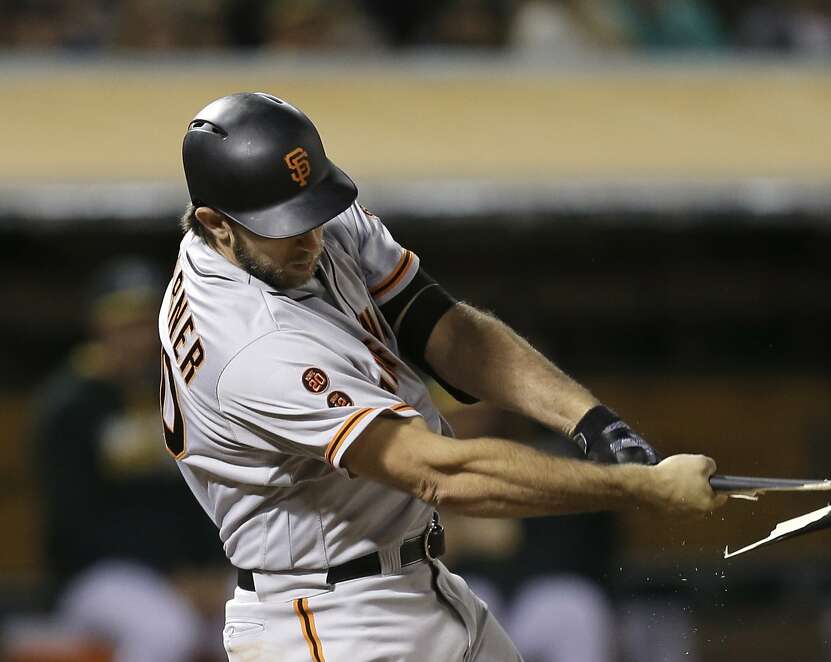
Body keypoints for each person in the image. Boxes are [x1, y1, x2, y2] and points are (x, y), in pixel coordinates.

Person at [161, 91, 726, 660]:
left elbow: (441, 326)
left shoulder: (293, 218)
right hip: (330, 618)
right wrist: (641, 488)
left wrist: (596, 425)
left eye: (314, 213)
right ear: (216, 224)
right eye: (288, 227)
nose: (313, 239)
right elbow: (440, 474)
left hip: (417, 581)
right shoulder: (247, 343)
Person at [34, 257, 228, 662]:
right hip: (97, 575)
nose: (137, 337)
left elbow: (199, 498)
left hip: (184, 573)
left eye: (144, 322)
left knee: (253, 618)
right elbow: (73, 525)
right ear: (99, 326)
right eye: (124, 323)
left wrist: (208, 569)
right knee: (168, 632)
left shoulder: (177, 394)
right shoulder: (72, 405)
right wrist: (170, 574)